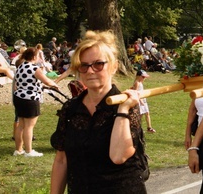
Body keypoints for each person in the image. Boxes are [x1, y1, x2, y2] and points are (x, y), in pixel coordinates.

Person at [50, 30, 149, 194]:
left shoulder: (126, 104)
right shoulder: (71, 109)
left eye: (98, 64)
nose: (90, 71)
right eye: (84, 65)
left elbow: (119, 156)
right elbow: (61, 159)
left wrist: (123, 110)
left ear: (114, 66)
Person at [13, 47, 58, 157]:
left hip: (19, 97)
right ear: (34, 57)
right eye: (37, 56)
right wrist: (55, 85)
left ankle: (18, 150)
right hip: (30, 98)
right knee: (29, 126)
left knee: (21, 125)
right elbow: (47, 81)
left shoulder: (20, 67)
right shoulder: (34, 68)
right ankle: (29, 151)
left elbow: (21, 83)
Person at [132, 69, 156, 133]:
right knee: (140, 115)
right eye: (143, 77)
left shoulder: (140, 82)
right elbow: (136, 92)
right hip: (140, 100)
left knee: (147, 113)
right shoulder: (137, 82)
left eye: (145, 77)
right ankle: (136, 127)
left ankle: (149, 127)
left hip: (143, 100)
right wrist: (140, 100)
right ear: (138, 76)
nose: (144, 78)